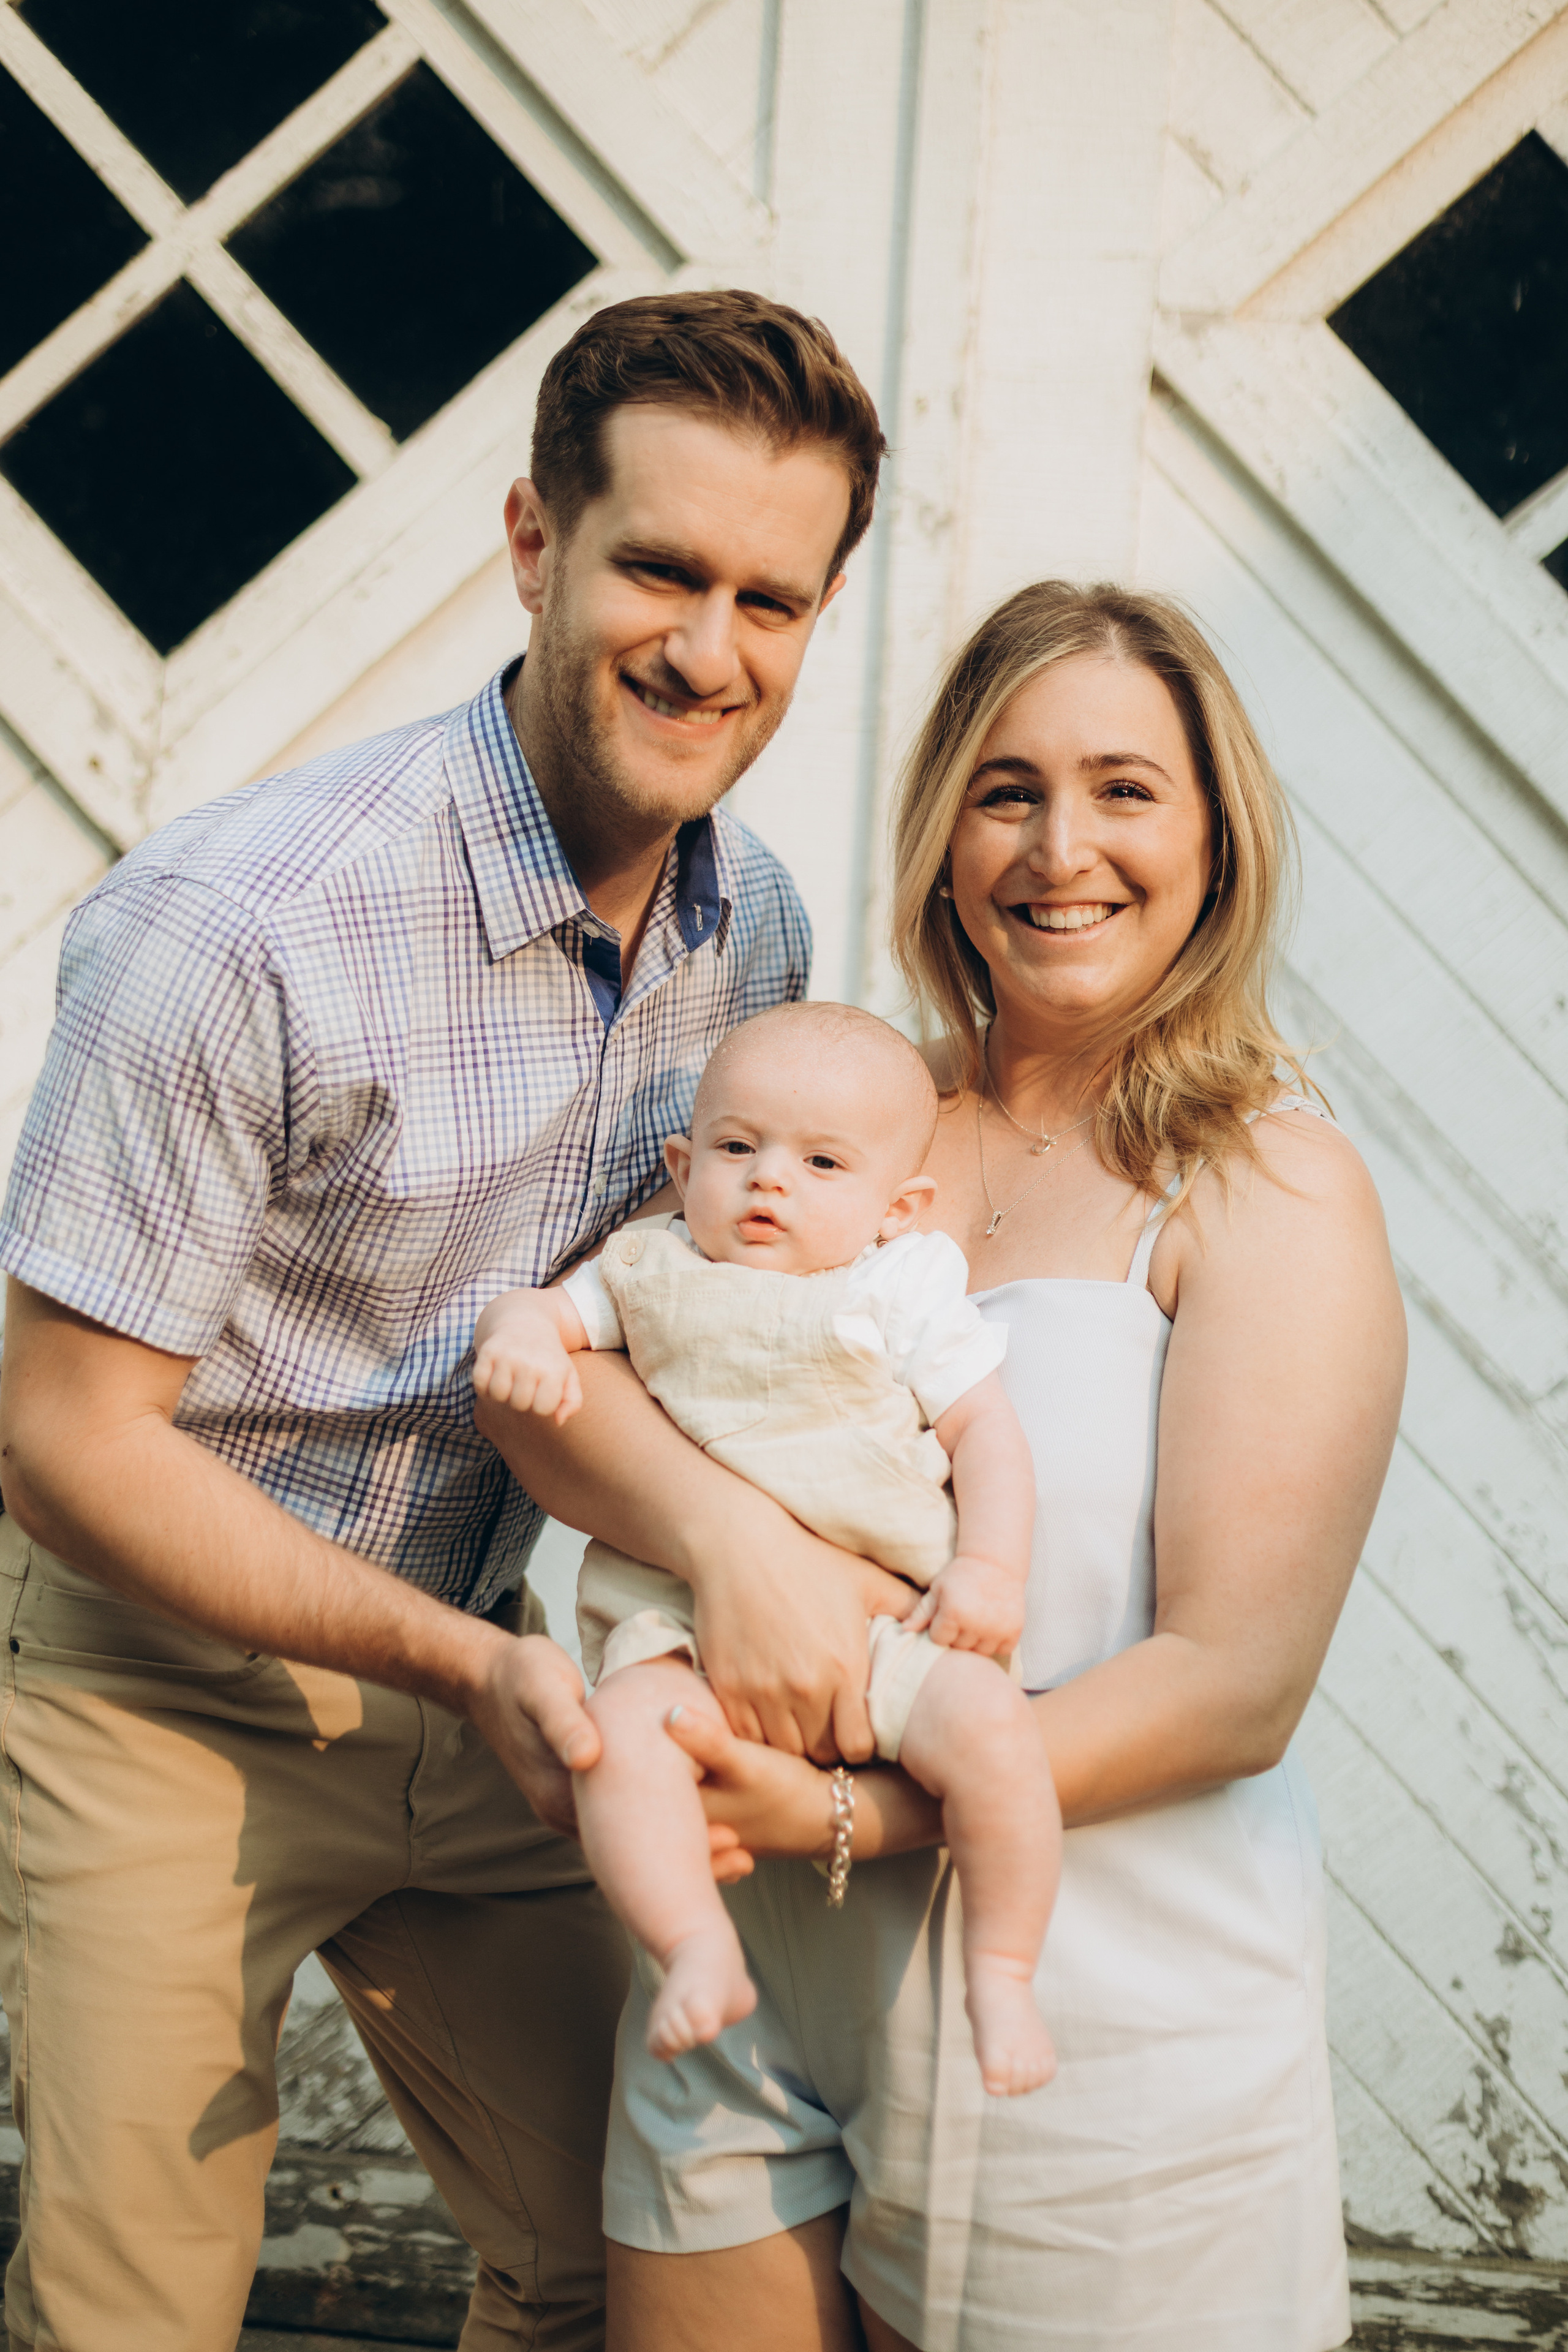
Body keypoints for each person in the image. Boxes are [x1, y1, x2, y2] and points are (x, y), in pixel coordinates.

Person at [0, 287, 891, 2352]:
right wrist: (453, 1657)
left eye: (771, 597)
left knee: (643, 2256)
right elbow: (58, 1436)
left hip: (499, 1689)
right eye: (658, 568)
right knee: (132, 2317)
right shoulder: (238, 926)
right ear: (530, 543)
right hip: (159, 1674)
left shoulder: (758, 928)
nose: (707, 647)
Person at [484, 581, 1408, 2352]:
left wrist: (857, 1812)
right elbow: (576, 1375)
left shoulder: (1265, 1186)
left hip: (1087, 2033)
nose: (1063, 847)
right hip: (744, 1998)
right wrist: (726, 1542)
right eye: (1008, 790)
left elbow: (1236, 1688)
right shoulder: (843, 1123)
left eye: (1127, 789)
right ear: (943, 835)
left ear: (1216, 831)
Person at [473, 1000, 1057, 2094]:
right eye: (738, 1149)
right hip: (677, 1618)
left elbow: (987, 1433)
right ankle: (693, 1944)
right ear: (681, 1163)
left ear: (899, 1209)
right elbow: (546, 1316)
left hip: (894, 1619)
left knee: (992, 1732)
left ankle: (1004, 1968)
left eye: (822, 1163)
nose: (768, 1182)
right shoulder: (647, 1262)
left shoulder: (899, 1283)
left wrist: (992, 1569)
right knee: (620, 1743)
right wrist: (516, 1332)